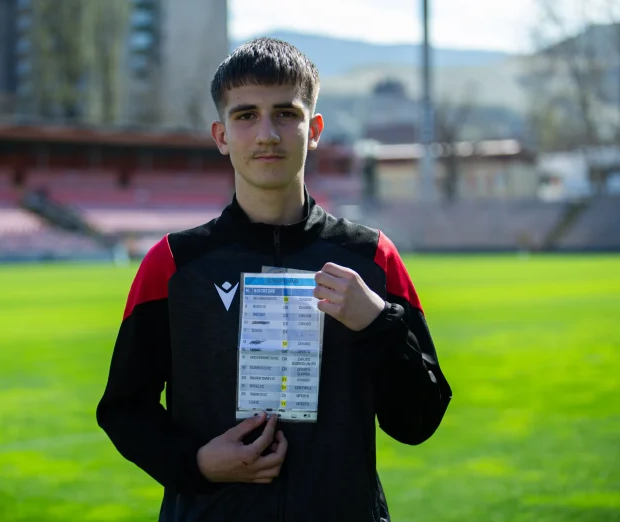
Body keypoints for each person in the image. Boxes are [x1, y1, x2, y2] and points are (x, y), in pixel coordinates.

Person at [97, 37, 452, 522]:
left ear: (314, 130)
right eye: (246, 116)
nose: (267, 134)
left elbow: (417, 422)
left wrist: (378, 323)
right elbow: (123, 409)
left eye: (286, 114)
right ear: (221, 135)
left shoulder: (372, 258)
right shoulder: (174, 264)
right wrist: (196, 463)